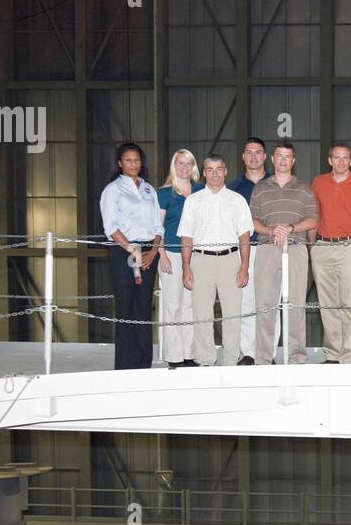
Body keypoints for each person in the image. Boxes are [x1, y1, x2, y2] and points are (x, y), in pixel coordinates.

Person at [178, 155, 252, 367]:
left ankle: (230, 360)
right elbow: (186, 236)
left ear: (225, 171)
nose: (215, 174)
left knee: (233, 315)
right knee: (202, 314)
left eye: (219, 169)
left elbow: (244, 236)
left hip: (230, 260)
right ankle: (206, 360)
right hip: (201, 260)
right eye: (210, 169)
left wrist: (244, 266)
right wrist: (186, 267)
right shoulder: (193, 201)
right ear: (204, 173)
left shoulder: (237, 200)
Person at [249, 142, 317, 364]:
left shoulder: (304, 188)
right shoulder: (260, 188)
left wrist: (289, 228)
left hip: (296, 248)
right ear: (273, 159)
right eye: (279, 156)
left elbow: (312, 220)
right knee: (265, 305)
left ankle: (297, 357)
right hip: (268, 248)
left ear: (293, 161)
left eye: (288, 157)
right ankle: (263, 358)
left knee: (296, 304)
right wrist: (271, 230)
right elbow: (253, 220)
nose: (283, 160)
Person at [310, 143, 351, 363]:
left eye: (345, 158)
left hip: (350, 246)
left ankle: (347, 356)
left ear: (350, 161)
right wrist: (313, 247)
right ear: (330, 160)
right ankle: (332, 354)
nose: (340, 162)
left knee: (349, 302)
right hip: (322, 247)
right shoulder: (318, 183)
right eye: (336, 158)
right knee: (327, 303)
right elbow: (314, 216)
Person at [100, 143, 163, 370]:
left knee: (144, 307)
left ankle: (143, 362)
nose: (133, 164)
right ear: (120, 163)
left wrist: (153, 251)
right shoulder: (113, 190)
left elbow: (158, 226)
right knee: (125, 306)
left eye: (136, 160)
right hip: (123, 252)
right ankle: (125, 366)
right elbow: (111, 226)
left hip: (148, 252)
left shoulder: (149, 190)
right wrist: (130, 248)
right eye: (128, 160)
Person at [157, 149, 204, 368]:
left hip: (196, 256)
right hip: (172, 256)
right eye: (180, 164)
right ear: (174, 166)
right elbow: (158, 227)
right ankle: (174, 356)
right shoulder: (164, 193)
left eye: (188, 164)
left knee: (190, 306)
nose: (184, 168)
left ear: (193, 167)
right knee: (172, 306)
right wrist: (162, 254)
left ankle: (189, 353)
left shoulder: (201, 190)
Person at [227, 137, 272, 366]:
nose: (254, 156)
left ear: (265, 156)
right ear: (243, 157)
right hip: (243, 252)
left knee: (269, 303)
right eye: (249, 152)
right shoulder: (233, 188)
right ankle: (249, 353)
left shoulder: (276, 183)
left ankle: (268, 353)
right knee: (245, 302)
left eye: (258, 152)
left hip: (270, 249)